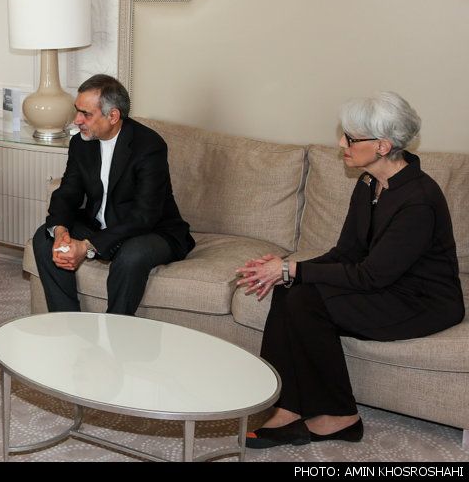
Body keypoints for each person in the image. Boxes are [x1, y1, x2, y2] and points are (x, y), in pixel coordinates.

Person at [236, 92, 465, 448]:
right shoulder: (370, 183)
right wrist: (283, 270)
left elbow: (371, 275)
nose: (341, 144)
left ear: (382, 146)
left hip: (421, 302)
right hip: (386, 285)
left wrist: (293, 269)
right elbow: (346, 253)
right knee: (289, 290)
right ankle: (287, 407)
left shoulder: (418, 200)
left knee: (306, 300)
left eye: (351, 138)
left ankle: (340, 417)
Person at [32, 74, 195, 315]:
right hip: (101, 226)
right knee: (44, 238)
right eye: (77, 110)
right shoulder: (81, 143)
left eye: (86, 114)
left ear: (113, 116)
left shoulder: (149, 146)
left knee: (131, 257)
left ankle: (115, 329)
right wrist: (61, 232)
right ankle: (67, 320)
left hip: (151, 231)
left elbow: (144, 216)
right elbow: (68, 193)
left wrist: (87, 246)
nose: (77, 120)